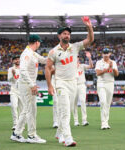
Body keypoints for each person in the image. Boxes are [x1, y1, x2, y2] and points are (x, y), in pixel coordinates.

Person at [45, 16, 94, 147]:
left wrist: (89, 27)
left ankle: (59, 132)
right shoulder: (53, 51)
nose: (67, 35)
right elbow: (48, 68)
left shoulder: (75, 47)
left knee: (66, 111)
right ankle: (68, 138)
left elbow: (90, 40)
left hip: (73, 83)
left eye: (68, 34)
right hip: (61, 83)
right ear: (59, 36)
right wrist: (49, 85)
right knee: (65, 111)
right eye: (64, 33)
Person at [10, 34, 47, 143]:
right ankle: (31, 135)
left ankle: (16, 133)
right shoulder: (26, 54)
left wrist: (54, 56)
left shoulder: (32, 53)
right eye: (39, 42)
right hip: (26, 84)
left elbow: (44, 60)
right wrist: (32, 85)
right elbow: (23, 71)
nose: (39, 44)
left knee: (28, 109)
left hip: (28, 84)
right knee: (30, 110)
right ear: (37, 42)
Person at [95, 48, 119, 130]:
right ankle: (103, 123)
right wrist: (107, 68)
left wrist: (112, 68)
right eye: (104, 53)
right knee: (103, 102)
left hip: (110, 83)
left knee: (108, 104)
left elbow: (116, 74)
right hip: (101, 83)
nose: (105, 54)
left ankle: (106, 122)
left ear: (109, 54)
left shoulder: (113, 62)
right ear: (102, 54)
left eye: (107, 53)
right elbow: (98, 73)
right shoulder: (99, 62)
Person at [73, 51, 93, 126]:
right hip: (73, 85)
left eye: (77, 57)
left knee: (82, 101)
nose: (77, 58)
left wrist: (89, 58)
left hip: (81, 85)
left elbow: (91, 66)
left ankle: (84, 120)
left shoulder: (82, 66)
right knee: (74, 103)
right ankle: (76, 120)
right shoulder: (70, 67)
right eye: (75, 57)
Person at [8, 55, 23, 130]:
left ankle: (21, 125)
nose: (17, 60)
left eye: (18, 59)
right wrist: (13, 75)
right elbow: (9, 80)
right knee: (14, 106)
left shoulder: (23, 68)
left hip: (22, 91)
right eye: (15, 59)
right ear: (13, 61)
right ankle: (15, 124)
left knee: (22, 109)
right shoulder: (11, 69)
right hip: (14, 90)